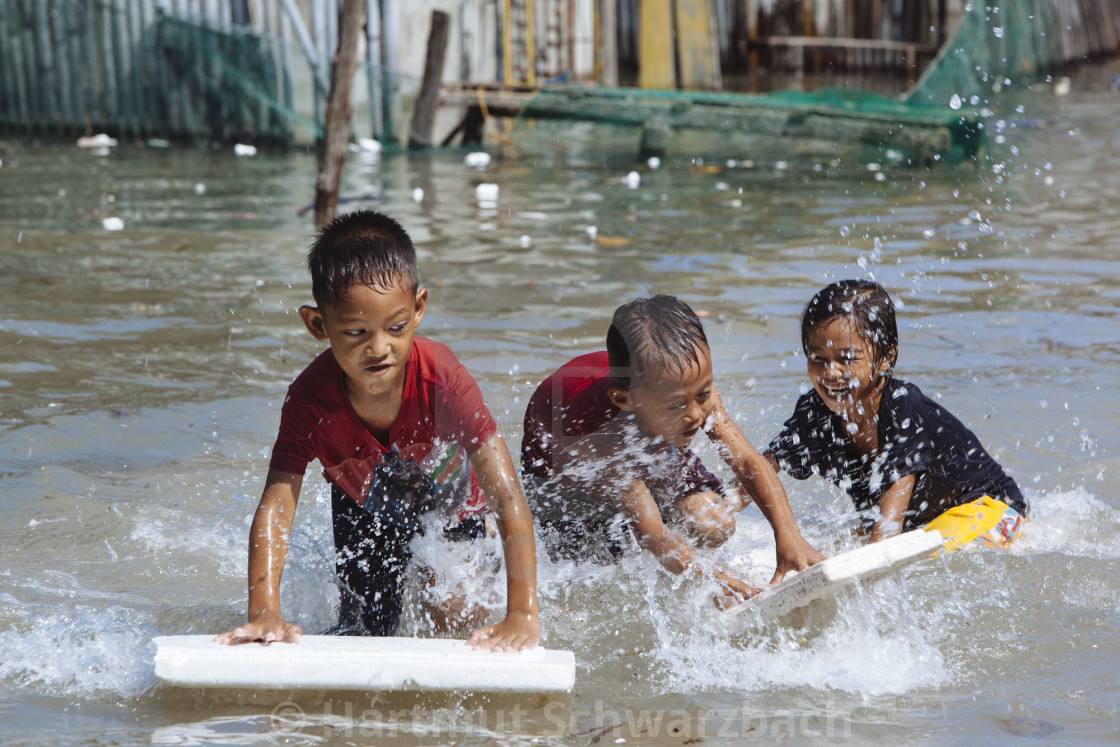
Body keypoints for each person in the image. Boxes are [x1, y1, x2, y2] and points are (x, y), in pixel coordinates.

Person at [217, 210, 538, 650]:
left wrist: (521, 615)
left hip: (449, 499)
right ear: (317, 325)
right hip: (364, 502)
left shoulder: (442, 381)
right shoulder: (309, 400)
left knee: (454, 618)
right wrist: (263, 614)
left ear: (419, 309)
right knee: (365, 632)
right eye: (355, 332)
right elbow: (276, 507)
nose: (379, 348)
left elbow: (505, 493)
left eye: (397, 327)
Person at [521, 295, 823, 606]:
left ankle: (685, 555)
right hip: (564, 477)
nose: (695, 414)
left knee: (712, 525)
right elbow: (650, 530)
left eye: (703, 394)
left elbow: (747, 460)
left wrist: (789, 534)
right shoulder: (600, 434)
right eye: (679, 404)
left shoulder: (685, 390)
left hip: (652, 428)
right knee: (593, 574)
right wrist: (720, 580)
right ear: (624, 400)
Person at [765, 279, 1027, 551]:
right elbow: (763, 467)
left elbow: (887, 530)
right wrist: (725, 507)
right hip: (920, 523)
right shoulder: (814, 412)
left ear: (886, 357)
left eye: (846, 359)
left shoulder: (902, 409)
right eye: (817, 358)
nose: (830, 372)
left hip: (991, 509)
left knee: (926, 563)